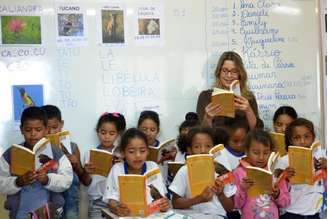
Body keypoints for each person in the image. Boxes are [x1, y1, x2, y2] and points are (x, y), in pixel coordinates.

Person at [0, 106, 73, 219]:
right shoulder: (11, 154)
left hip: (49, 212)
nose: (33, 134)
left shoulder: (57, 153)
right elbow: (1, 183)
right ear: (21, 129)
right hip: (20, 212)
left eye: (38, 130)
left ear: (46, 130)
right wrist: (18, 181)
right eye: (28, 130)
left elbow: (67, 180)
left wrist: (47, 179)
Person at [169, 127, 236, 217]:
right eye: (197, 147)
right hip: (192, 216)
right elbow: (175, 203)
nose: (203, 150)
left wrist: (220, 194)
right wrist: (199, 199)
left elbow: (230, 208)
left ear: (214, 148)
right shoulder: (184, 171)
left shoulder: (223, 170)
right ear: (189, 150)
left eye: (208, 146)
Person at [103, 128, 169, 216]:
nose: (138, 155)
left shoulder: (153, 167)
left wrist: (164, 204)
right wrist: (116, 209)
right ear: (123, 153)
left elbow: (162, 197)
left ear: (148, 151)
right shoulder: (117, 169)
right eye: (131, 151)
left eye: (142, 151)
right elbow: (111, 200)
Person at [42, 104, 87, 219]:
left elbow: (82, 177)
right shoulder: (39, 150)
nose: (51, 132)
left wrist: (76, 164)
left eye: (54, 127)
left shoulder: (73, 147)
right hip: (49, 198)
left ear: (61, 124)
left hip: (70, 198)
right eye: (46, 128)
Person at [196, 51, 261, 130]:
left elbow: (257, 131)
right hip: (217, 142)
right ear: (219, 72)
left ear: (240, 74)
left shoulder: (249, 98)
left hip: (242, 142)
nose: (229, 75)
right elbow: (203, 134)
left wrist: (248, 111)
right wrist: (208, 118)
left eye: (234, 71)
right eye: (225, 71)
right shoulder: (205, 96)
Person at [276, 118, 327, 219]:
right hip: (292, 212)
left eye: (307, 137)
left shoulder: (321, 156)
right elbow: (277, 186)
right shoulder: (284, 160)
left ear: (313, 138)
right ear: (291, 140)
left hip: (314, 212)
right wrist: (285, 175)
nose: (302, 141)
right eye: (297, 138)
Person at [233, 130, 290, 219]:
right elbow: (236, 205)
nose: (261, 157)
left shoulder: (275, 172)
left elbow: (286, 202)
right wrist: (243, 189)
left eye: (266, 153)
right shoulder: (239, 172)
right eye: (256, 153)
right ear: (246, 151)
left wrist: (278, 194)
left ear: (271, 152)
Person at [84, 112, 126, 219]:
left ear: (118, 134)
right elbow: (86, 182)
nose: (107, 137)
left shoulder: (122, 154)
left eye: (112, 133)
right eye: (103, 132)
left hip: (117, 201)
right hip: (97, 201)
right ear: (97, 132)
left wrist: (120, 166)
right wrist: (87, 172)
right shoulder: (90, 153)